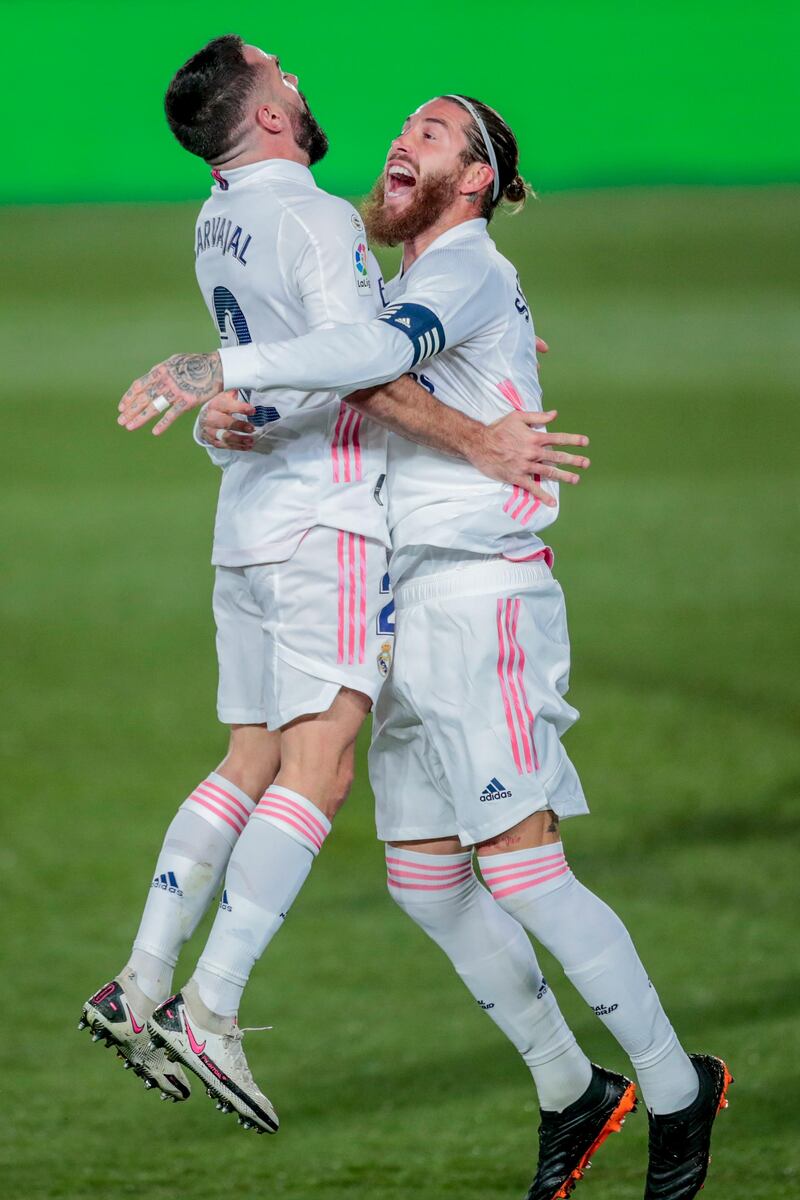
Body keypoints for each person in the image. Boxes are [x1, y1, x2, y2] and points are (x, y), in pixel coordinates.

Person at [120, 91, 732, 1200]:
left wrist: (222, 368)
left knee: (524, 871)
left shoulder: (464, 269)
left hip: (479, 599)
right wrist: (233, 424)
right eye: (404, 130)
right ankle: (569, 1092)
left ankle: (676, 1090)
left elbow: (363, 354)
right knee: (423, 882)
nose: (404, 143)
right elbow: (355, 390)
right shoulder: (419, 284)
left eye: (435, 135)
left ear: (479, 179)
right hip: (403, 606)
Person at [83, 36, 589, 1141]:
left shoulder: (217, 219)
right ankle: (210, 1008)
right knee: (317, 770)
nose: (304, 90)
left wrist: (237, 402)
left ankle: (140, 979)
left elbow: (318, 350)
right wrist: (477, 431)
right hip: (328, 524)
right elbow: (360, 359)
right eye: (287, 81)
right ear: (264, 115)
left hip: (249, 519)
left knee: (248, 758)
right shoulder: (313, 217)